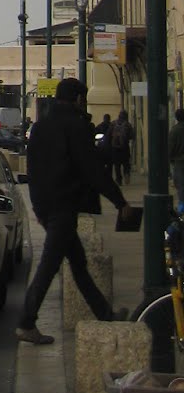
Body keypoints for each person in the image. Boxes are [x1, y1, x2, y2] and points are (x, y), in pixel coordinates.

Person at [16, 78, 136, 346]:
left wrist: (37, 207)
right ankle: (26, 321)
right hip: (64, 206)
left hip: (47, 206)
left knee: (78, 264)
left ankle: (105, 314)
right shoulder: (76, 126)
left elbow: (32, 172)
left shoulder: (40, 126)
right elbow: (92, 170)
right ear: (79, 99)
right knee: (49, 265)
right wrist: (120, 202)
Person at [110, 108, 133, 184]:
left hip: (115, 148)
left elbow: (109, 134)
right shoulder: (128, 125)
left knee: (117, 165)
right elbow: (132, 136)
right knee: (126, 163)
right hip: (125, 147)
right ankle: (126, 176)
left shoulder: (113, 123)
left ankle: (119, 180)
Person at [169, 106, 184, 211]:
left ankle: (182, 211)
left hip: (180, 163)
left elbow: (170, 148)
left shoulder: (175, 130)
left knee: (181, 187)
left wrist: (169, 159)